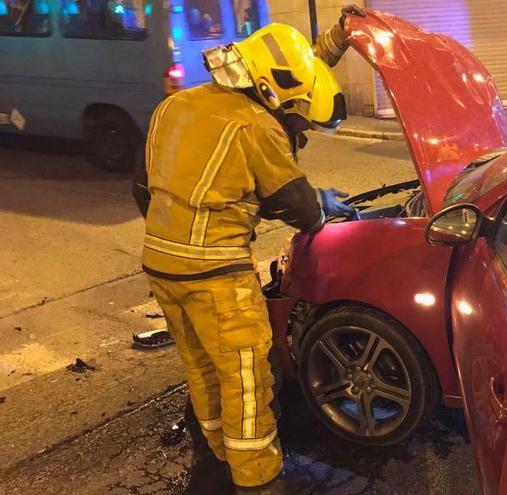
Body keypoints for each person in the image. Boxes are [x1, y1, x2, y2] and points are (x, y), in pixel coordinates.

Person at [132, 6, 365, 494]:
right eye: (295, 119)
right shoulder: (255, 124)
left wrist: (338, 40)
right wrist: (324, 207)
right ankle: (259, 480)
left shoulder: (174, 106)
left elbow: (142, 189)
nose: (295, 125)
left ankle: (217, 457)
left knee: (202, 366)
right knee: (247, 379)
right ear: (267, 93)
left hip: (160, 266)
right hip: (215, 276)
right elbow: (297, 205)